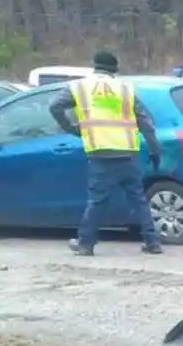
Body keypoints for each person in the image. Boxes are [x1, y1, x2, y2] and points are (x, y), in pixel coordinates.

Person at [50, 51, 164, 255]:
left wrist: (71, 128)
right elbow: (145, 121)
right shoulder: (125, 89)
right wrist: (155, 150)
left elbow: (54, 106)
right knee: (138, 199)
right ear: (115, 70)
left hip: (100, 152)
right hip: (128, 152)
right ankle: (152, 242)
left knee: (97, 201)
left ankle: (86, 244)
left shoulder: (80, 87)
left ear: (94, 66)